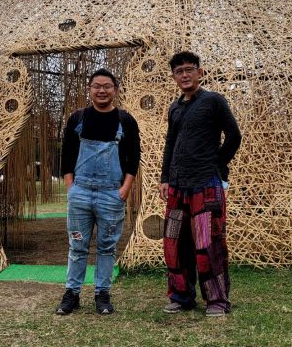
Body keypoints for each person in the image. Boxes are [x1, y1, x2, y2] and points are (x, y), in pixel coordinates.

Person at [159, 51, 241, 317]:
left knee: (209, 243)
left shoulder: (214, 101)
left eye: (189, 69)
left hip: (205, 185)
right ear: (174, 77)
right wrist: (165, 178)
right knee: (174, 243)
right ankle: (181, 296)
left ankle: (216, 299)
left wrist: (216, 164)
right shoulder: (175, 108)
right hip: (177, 186)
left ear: (200, 72)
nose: (184, 75)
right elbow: (170, 144)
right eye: (179, 71)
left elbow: (234, 136)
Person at [56, 68, 141, 315]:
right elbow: (67, 154)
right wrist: (71, 188)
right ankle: (72, 294)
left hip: (111, 194)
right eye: (97, 86)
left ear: (115, 90)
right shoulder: (77, 119)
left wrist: (125, 189)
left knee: (106, 247)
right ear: (90, 89)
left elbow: (134, 156)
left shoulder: (125, 121)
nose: (102, 90)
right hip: (80, 193)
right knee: (77, 245)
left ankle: (102, 294)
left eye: (107, 86)